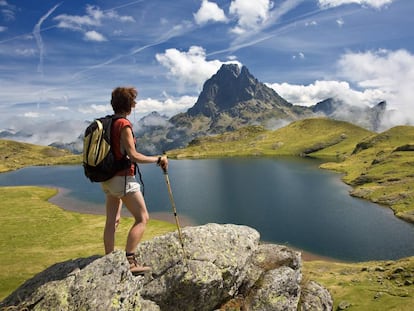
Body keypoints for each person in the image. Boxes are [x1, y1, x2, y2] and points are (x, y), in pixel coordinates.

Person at [101, 86, 168, 274]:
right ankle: (130, 262)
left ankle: (108, 259)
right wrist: (157, 159)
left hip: (106, 179)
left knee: (111, 221)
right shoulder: (123, 124)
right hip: (122, 179)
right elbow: (134, 155)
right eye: (134, 102)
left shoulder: (108, 123)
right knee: (142, 217)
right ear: (130, 105)